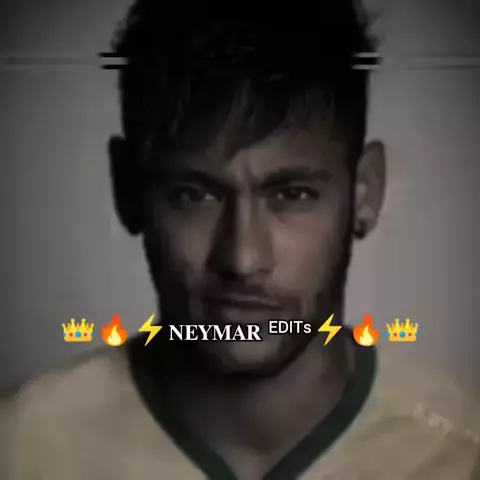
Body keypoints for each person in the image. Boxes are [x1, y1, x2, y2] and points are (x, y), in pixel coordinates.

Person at [6, 1, 480, 479]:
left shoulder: (462, 452)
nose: (243, 258)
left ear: (364, 192)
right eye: (193, 195)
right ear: (126, 188)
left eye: (293, 194)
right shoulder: (24, 449)